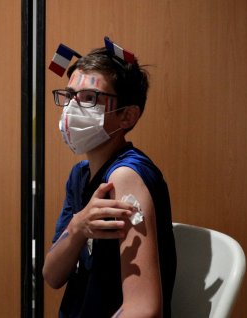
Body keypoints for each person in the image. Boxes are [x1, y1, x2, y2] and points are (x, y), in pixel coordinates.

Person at [42, 43, 176, 318]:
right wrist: (79, 226)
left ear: (127, 115)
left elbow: (144, 309)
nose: (71, 108)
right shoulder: (80, 176)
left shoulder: (125, 177)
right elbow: (52, 275)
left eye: (89, 98)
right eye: (69, 96)